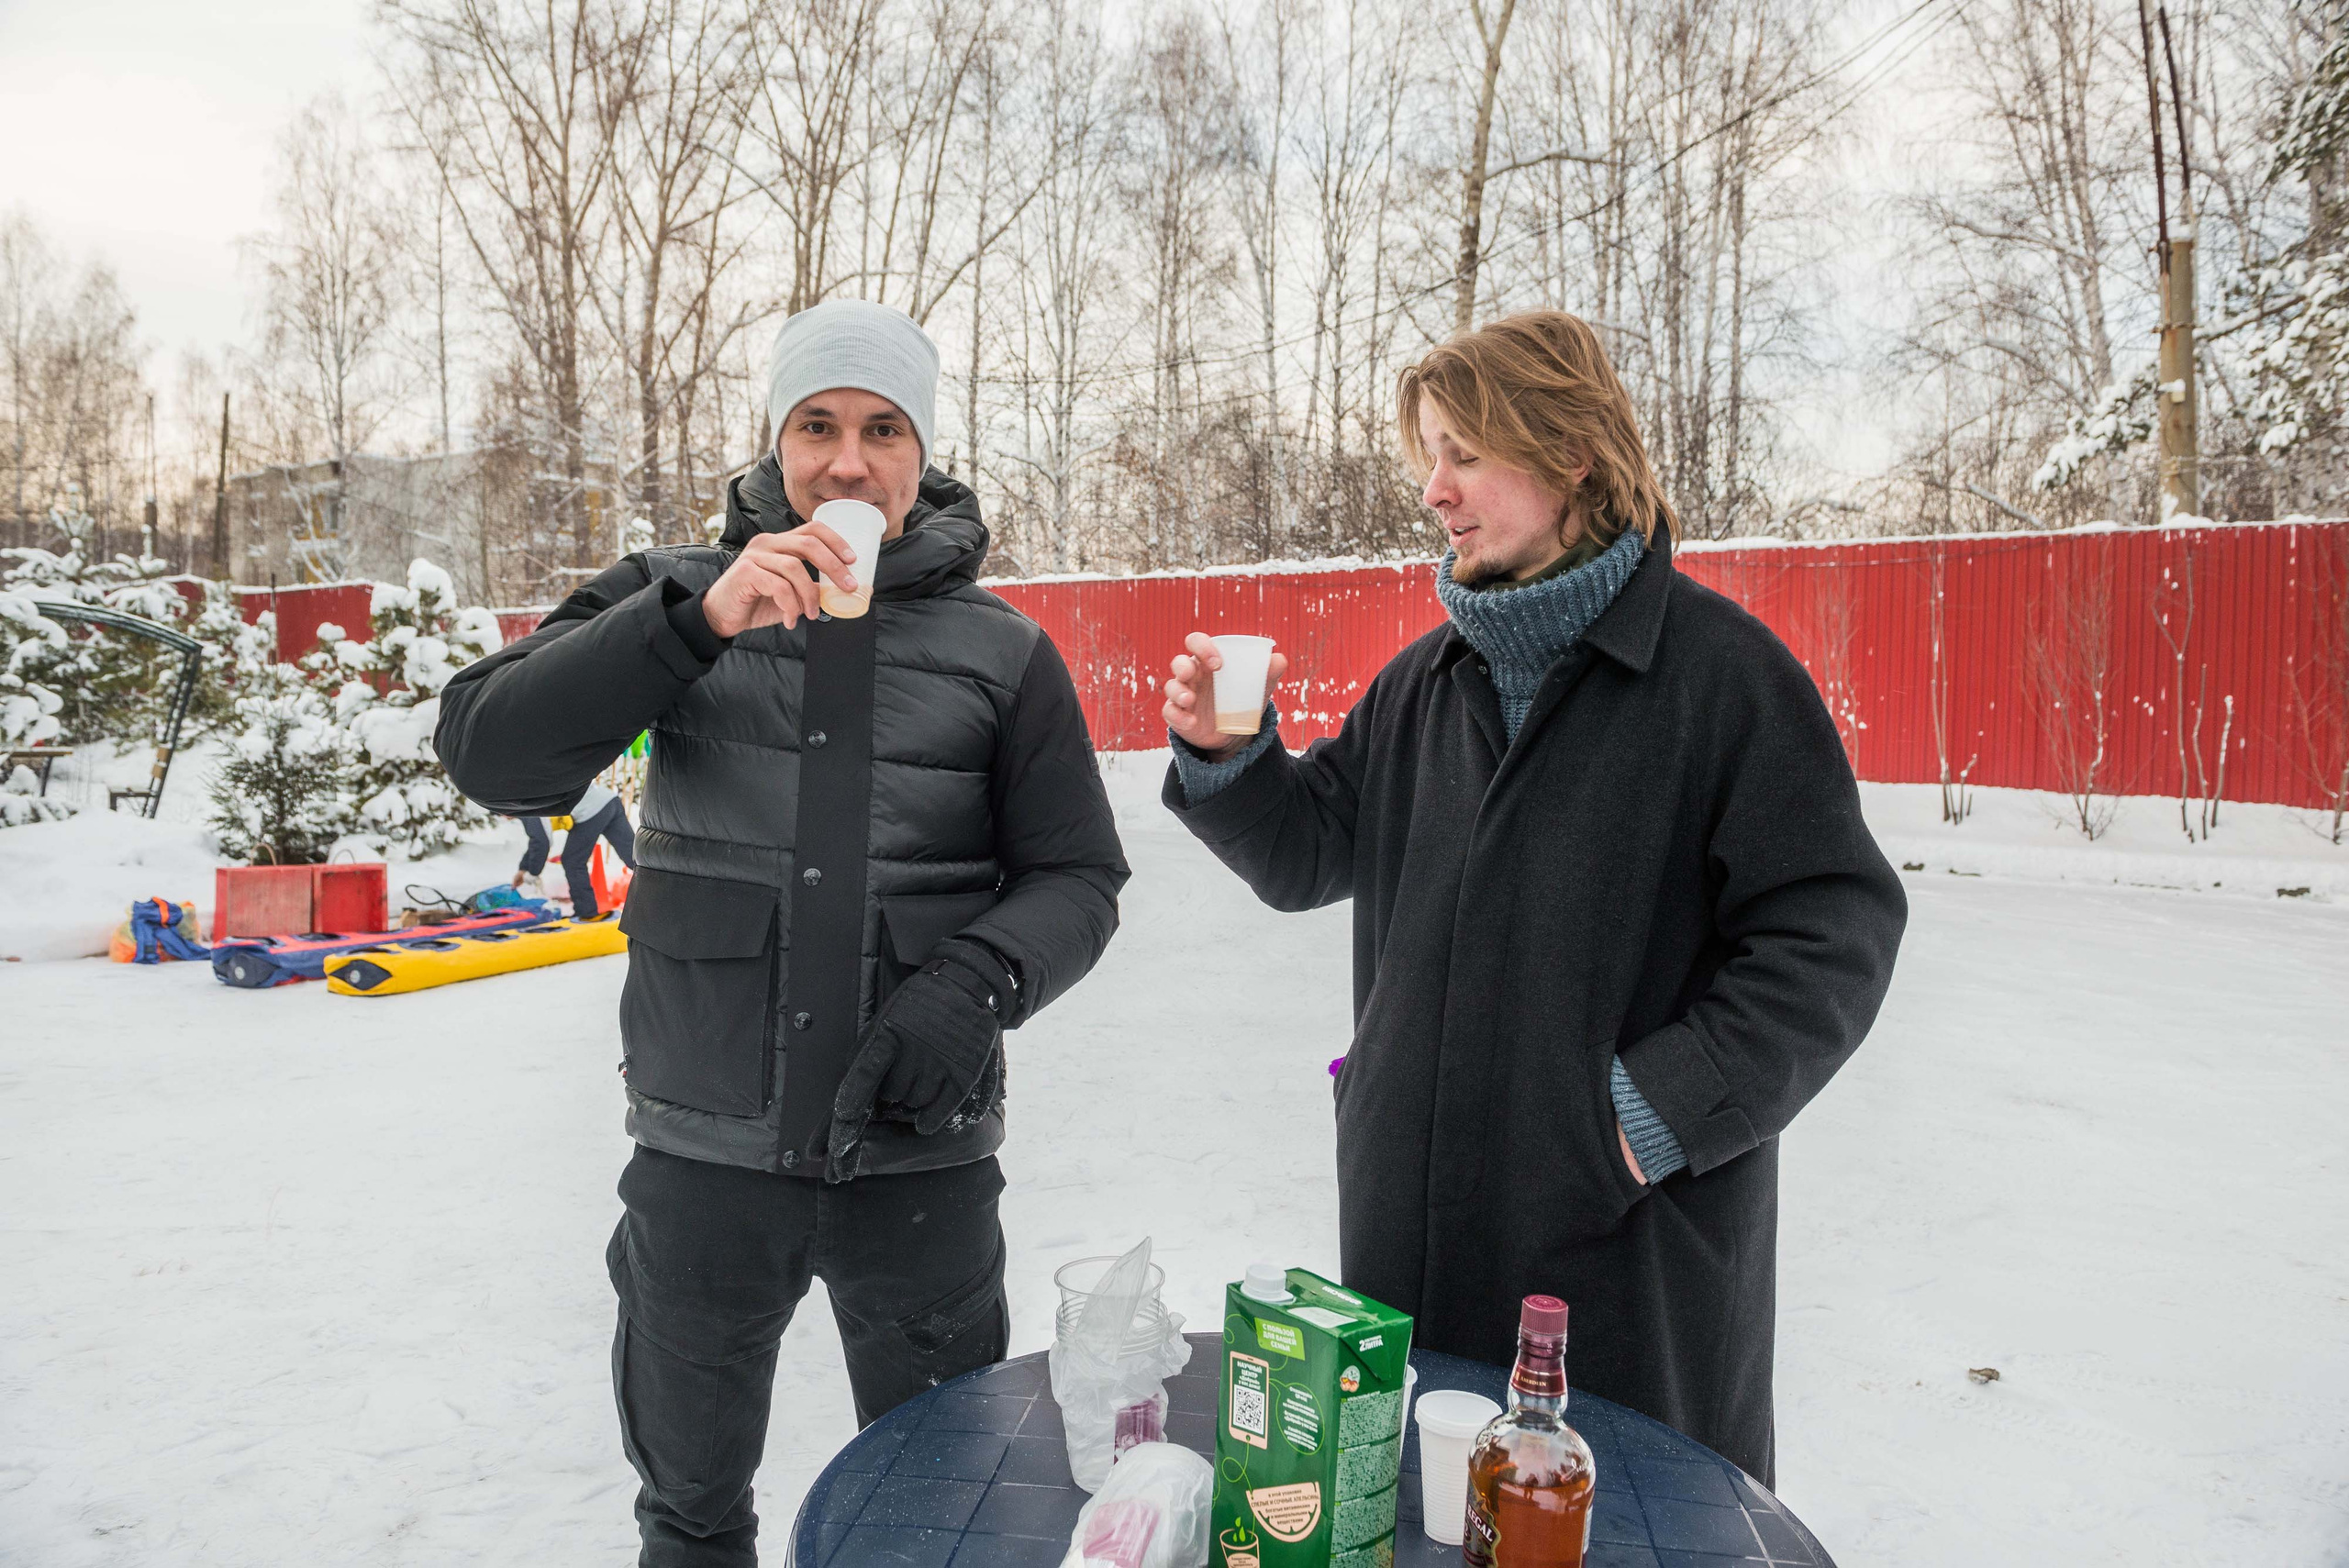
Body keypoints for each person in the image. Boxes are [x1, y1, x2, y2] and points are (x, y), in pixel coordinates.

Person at [435, 298, 1129, 1565]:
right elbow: (487, 751)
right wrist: (693, 627)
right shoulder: (672, 599)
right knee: (690, 1515)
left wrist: (972, 983)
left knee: (941, 1518)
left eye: (882, 428)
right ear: (776, 438)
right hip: (704, 1168)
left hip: (918, 1166)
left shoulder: (1002, 653)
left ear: (922, 453)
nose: (849, 461)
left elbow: (1081, 877)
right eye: (818, 425)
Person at [1159, 311, 1905, 1485]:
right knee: (1421, 1506)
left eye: (1463, 453)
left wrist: (1646, 1116)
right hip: (1411, 1221)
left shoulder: (1720, 677)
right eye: (1426, 458)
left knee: (1618, 1512)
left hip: (1622, 1236)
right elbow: (1312, 852)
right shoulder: (1424, 681)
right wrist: (1228, 756)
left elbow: (1833, 931)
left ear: (1570, 453)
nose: (1433, 489)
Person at [514, 779, 637, 917]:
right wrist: (524, 868)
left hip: (590, 809)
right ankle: (661, 890)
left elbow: (541, 841)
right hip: (609, 800)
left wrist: (533, 872)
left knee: (573, 861)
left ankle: (587, 914)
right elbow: (538, 840)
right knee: (634, 856)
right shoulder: (529, 792)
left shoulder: (523, 805)